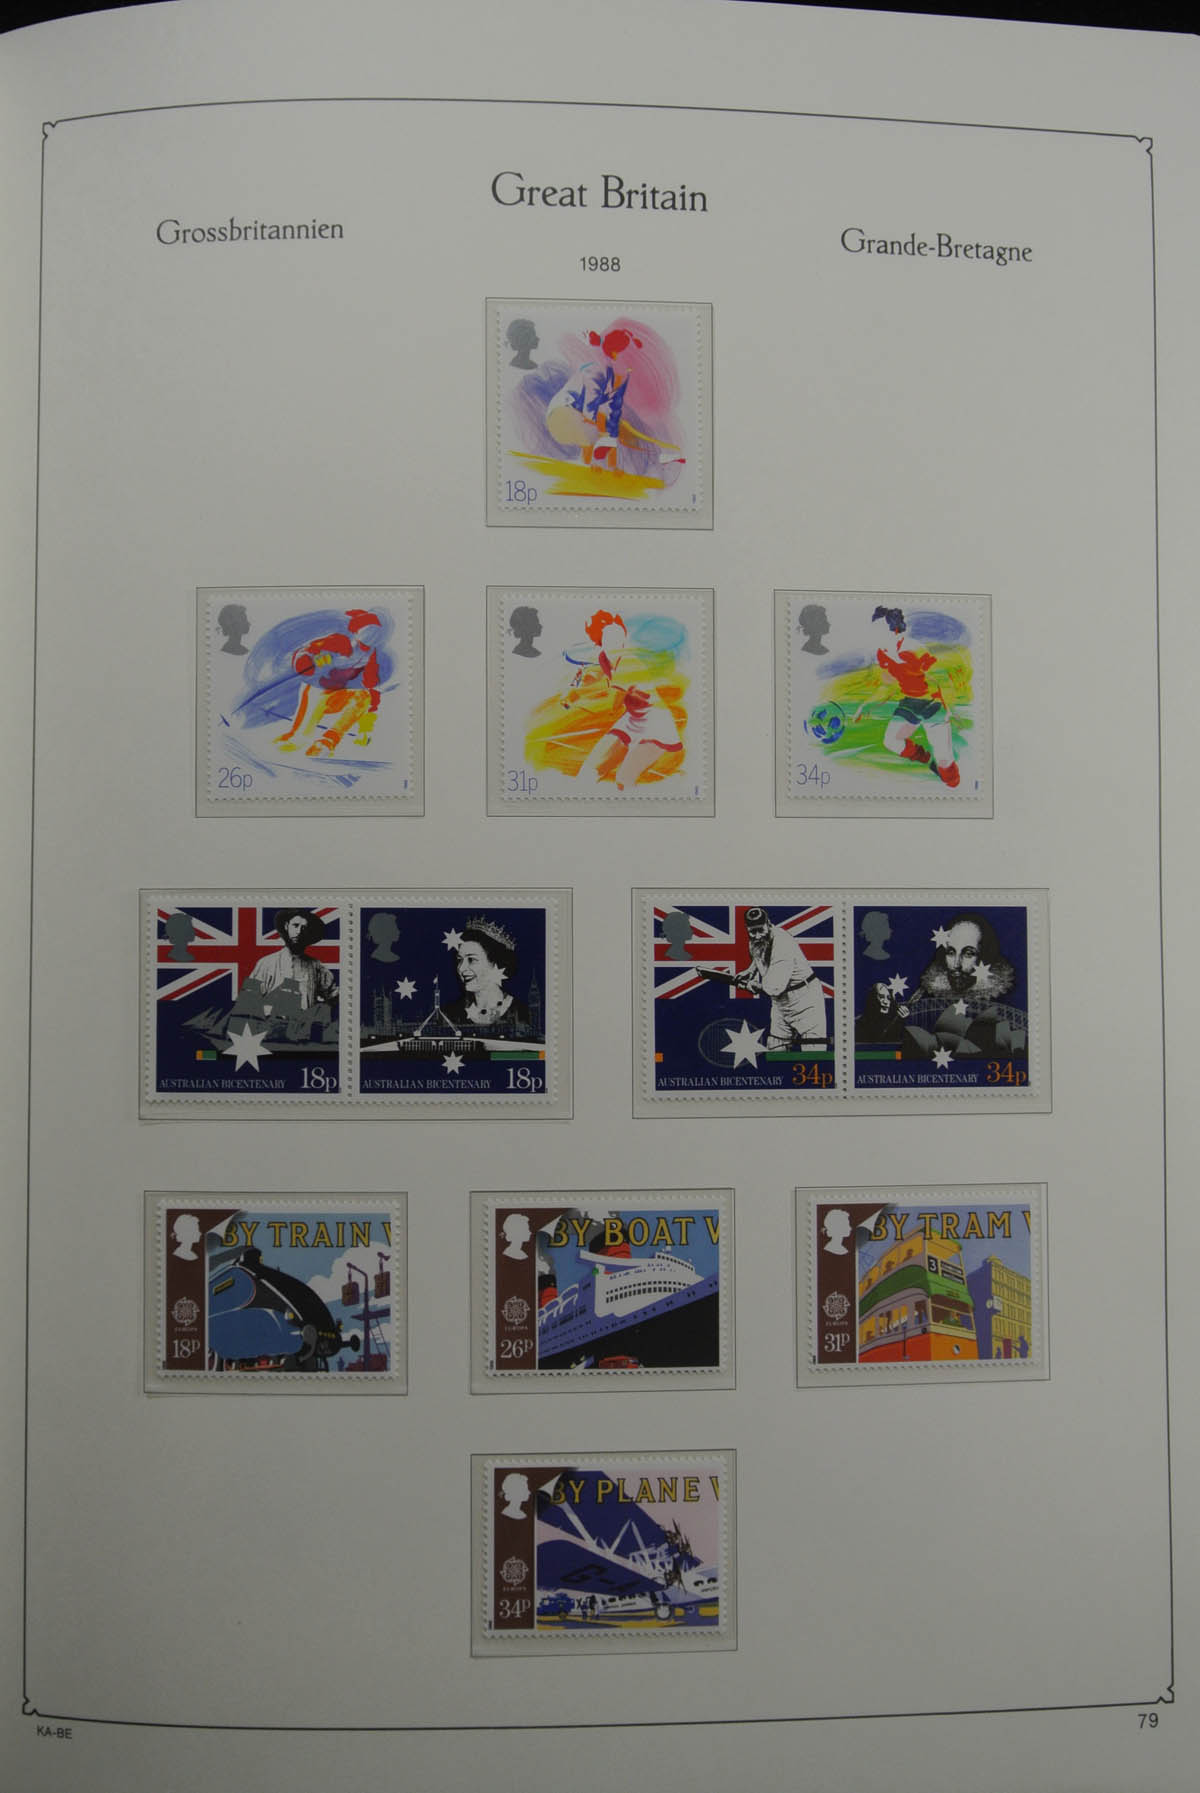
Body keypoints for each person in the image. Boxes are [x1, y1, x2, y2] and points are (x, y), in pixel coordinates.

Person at [563, 609, 683, 789]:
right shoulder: (603, 658)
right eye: (608, 640)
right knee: (589, 771)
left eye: (619, 639)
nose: (615, 645)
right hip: (632, 720)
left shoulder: (628, 663)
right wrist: (577, 689)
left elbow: (611, 706)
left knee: (624, 780)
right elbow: (595, 677)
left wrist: (578, 698)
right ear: (599, 641)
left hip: (657, 725)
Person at [544, 326, 682, 474]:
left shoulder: (619, 377)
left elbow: (612, 415)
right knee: (595, 430)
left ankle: (602, 465)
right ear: (615, 354)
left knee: (607, 431)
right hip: (561, 415)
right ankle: (588, 464)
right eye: (625, 358)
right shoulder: (595, 372)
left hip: (582, 419)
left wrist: (612, 464)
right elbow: (590, 410)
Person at [868, 605, 960, 788]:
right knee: (891, 741)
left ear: (894, 630)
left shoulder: (914, 649)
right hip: (909, 704)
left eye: (878, 631)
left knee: (948, 772)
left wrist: (948, 706)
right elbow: (887, 685)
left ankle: (946, 771)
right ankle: (925, 758)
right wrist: (866, 707)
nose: (873, 636)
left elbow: (939, 677)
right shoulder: (882, 654)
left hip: (932, 704)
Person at [273, 608, 385, 757]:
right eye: (367, 631)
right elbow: (305, 652)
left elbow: (372, 685)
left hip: (339, 697)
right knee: (314, 699)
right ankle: (298, 737)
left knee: (363, 696)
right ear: (357, 631)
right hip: (318, 692)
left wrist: (366, 724)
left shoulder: (370, 655)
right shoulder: (338, 641)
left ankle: (328, 741)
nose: (369, 638)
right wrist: (308, 662)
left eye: (374, 634)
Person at [736, 907, 827, 1048]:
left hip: (805, 999)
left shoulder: (782, 942)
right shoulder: (757, 940)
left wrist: (752, 986)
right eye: (752, 931)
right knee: (775, 1047)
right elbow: (760, 954)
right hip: (780, 1002)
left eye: (760, 930)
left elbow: (775, 987)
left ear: (769, 924)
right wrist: (750, 970)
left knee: (813, 1049)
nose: (757, 936)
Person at [232, 908, 337, 1028]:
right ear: (287, 926)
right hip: (272, 1030)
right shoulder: (267, 963)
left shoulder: (316, 967)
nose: (299, 931)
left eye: (304, 928)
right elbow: (246, 1000)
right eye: (295, 925)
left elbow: (335, 997)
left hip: (305, 1031)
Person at [443, 919, 532, 1036]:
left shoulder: (522, 1011)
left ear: (495, 963)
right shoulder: (449, 1014)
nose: (461, 968)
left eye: (471, 960)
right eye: (459, 960)